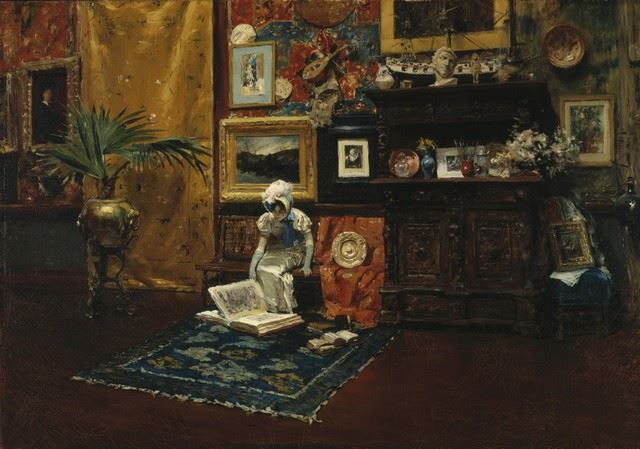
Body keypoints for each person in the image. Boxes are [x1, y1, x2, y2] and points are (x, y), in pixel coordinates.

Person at [248, 180, 314, 313]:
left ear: (287, 205)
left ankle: (277, 309)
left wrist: (307, 264)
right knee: (261, 269)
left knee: (273, 271)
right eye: (274, 209)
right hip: (277, 250)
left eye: (281, 209)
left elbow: (309, 242)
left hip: (297, 252)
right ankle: (265, 308)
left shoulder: (298, 217)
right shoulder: (268, 219)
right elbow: (261, 247)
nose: (277, 213)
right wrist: (252, 267)